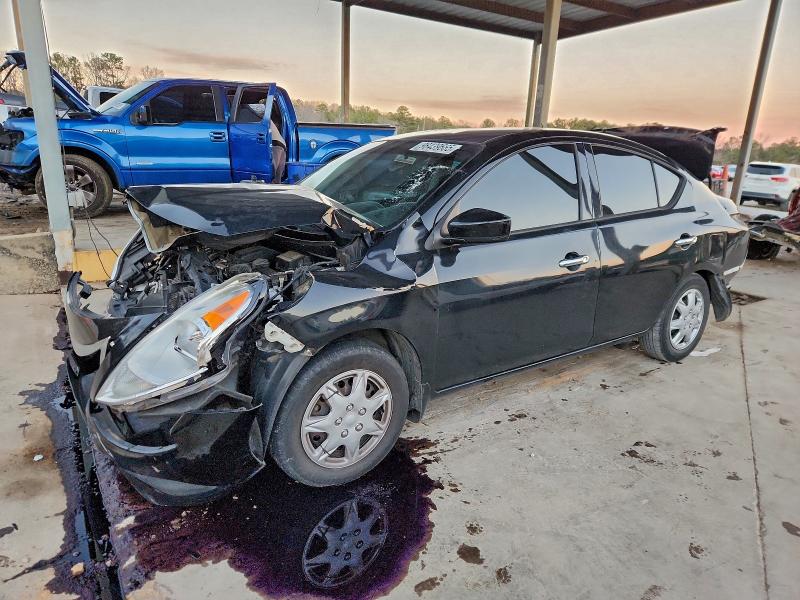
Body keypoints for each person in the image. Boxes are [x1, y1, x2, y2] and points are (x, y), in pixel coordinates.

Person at [270, 120, 286, 184]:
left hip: (275, 143)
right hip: (282, 144)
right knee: (277, 178)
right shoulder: (269, 119)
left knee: (273, 173)